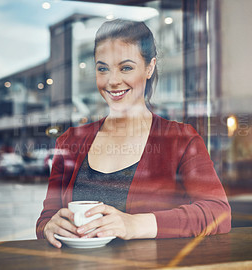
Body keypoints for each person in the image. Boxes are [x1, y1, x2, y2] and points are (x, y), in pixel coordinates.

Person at [36, 19, 231, 248]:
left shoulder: (181, 140)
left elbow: (219, 213)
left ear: (150, 67)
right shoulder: (69, 142)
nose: (112, 81)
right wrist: (49, 226)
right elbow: (46, 219)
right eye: (103, 69)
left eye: (126, 67)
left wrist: (134, 225)